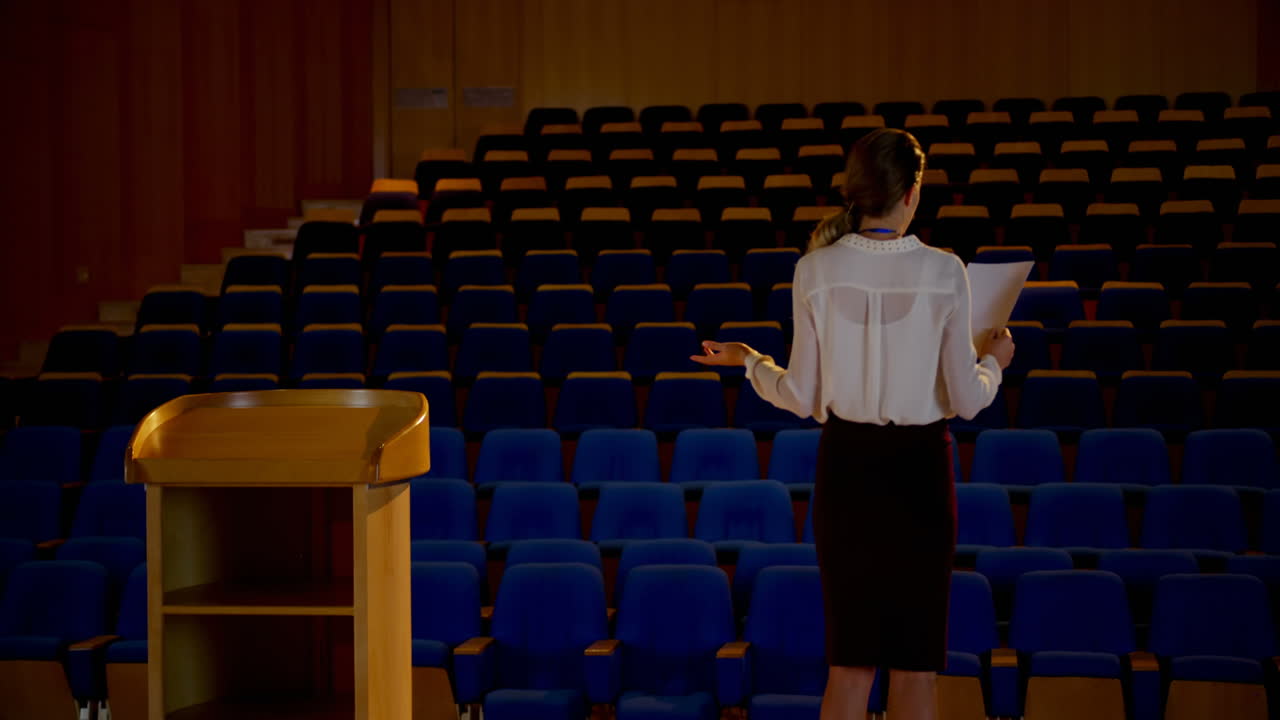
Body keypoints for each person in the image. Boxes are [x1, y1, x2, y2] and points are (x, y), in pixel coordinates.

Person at [691, 128, 1015, 720]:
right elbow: (968, 401)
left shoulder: (814, 269)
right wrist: (995, 361)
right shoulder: (946, 270)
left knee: (850, 663)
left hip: (847, 469)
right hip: (920, 471)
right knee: (916, 664)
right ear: (912, 192)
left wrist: (752, 361)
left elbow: (801, 395)